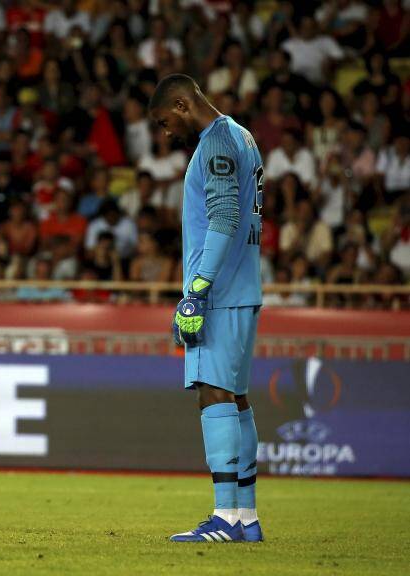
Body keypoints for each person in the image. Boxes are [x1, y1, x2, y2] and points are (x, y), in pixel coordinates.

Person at [149, 74, 264, 543]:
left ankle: (226, 519)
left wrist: (196, 289)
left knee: (212, 394)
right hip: (244, 285)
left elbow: (223, 217)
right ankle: (246, 517)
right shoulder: (243, 135)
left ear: (182, 104)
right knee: (235, 398)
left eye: (164, 121)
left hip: (220, 291)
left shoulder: (216, 142)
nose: (166, 132)